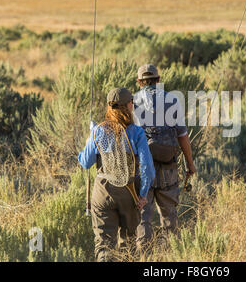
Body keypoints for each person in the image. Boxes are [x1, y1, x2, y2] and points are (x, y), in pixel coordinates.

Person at [78, 87, 155, 262]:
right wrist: (142, 195)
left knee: (104, 244)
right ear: (128, 106)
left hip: (103, 192)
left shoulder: (98, 131)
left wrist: (89, 139)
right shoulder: (137, 132)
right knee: (127, 244)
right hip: (130, 193)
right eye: (131, 103)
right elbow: (147, 169)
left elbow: (85, 162)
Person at [133, 64, 196, 249]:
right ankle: (172, 254)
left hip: (142, 169)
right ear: (159, 80)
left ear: (139, 82)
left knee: (143, 216)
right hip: (168, 167)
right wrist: (190, 165)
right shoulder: (173, 100)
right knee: (169, 216)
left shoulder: (132, 102)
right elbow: (183, 137)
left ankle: (144, 257)